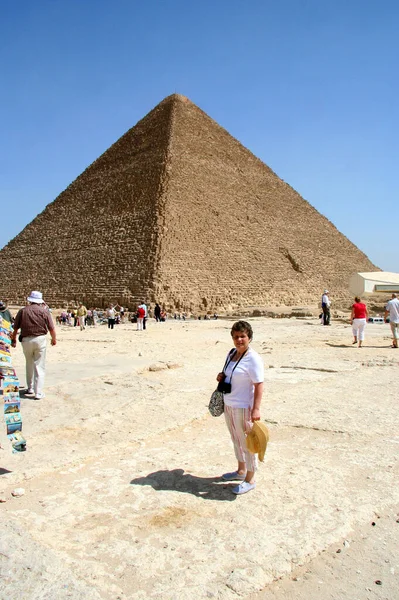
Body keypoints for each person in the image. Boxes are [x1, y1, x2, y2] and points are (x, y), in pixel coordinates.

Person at [216, 320, 264, 495]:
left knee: (247, 442)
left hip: (244, 407)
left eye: (243, 336)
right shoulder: (231, 354)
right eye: (236, 337)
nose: (239, 340)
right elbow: (230, 373)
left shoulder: (253, 358)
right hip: (229, 404)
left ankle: (250, 479)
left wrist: (256, 409)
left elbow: (259, 384)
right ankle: (241, 470)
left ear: (249, 337)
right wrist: (222, 376)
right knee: (236, 440)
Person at [10, 290, 56, 400]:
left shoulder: (22, 311)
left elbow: (15, 328)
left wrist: (14, 340)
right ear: (40, 301)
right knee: (39, 366)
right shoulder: (44, 311)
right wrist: (54, 339)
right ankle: (38, 392)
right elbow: (51, 328)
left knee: (29, 363)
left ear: (30, 300)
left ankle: (30, 388)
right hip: (40, 339)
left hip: (26, 340)